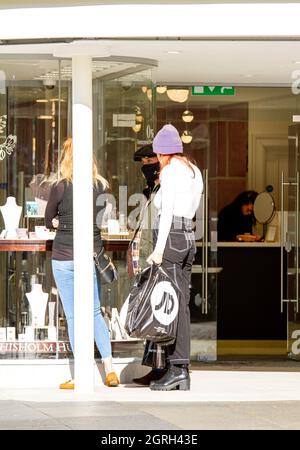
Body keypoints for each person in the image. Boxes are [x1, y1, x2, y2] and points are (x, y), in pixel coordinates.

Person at [45, 137, 119, 389]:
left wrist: (56, 223)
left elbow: (48, 219)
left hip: (64, 257)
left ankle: (81, 375)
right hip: (89, 256)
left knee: (75, 316)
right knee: (95, 312)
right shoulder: (100, 187)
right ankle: (109, 369)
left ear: (66, 158)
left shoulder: (61, 186)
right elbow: (99, 223)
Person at [145, 124, 203, 391]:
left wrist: (158, 250)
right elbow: (191, 208)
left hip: (171, 239)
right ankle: (178, 368)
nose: (157, 159)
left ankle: (177, 369)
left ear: (163, 153)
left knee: (167, 303)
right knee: (181, 304)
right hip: (189, 237)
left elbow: (166, 212)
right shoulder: (194, 170)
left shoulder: (170, 171)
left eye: (157, 154)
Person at [130, 144, 167, 386]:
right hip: (148, 257)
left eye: (148, 161)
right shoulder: (150, 191)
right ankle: (155, 366)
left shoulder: (165, 190)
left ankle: (165, 368)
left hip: (161, 258)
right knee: (151, 313)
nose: (145, 166)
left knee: (161, 314)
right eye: (142, 163)